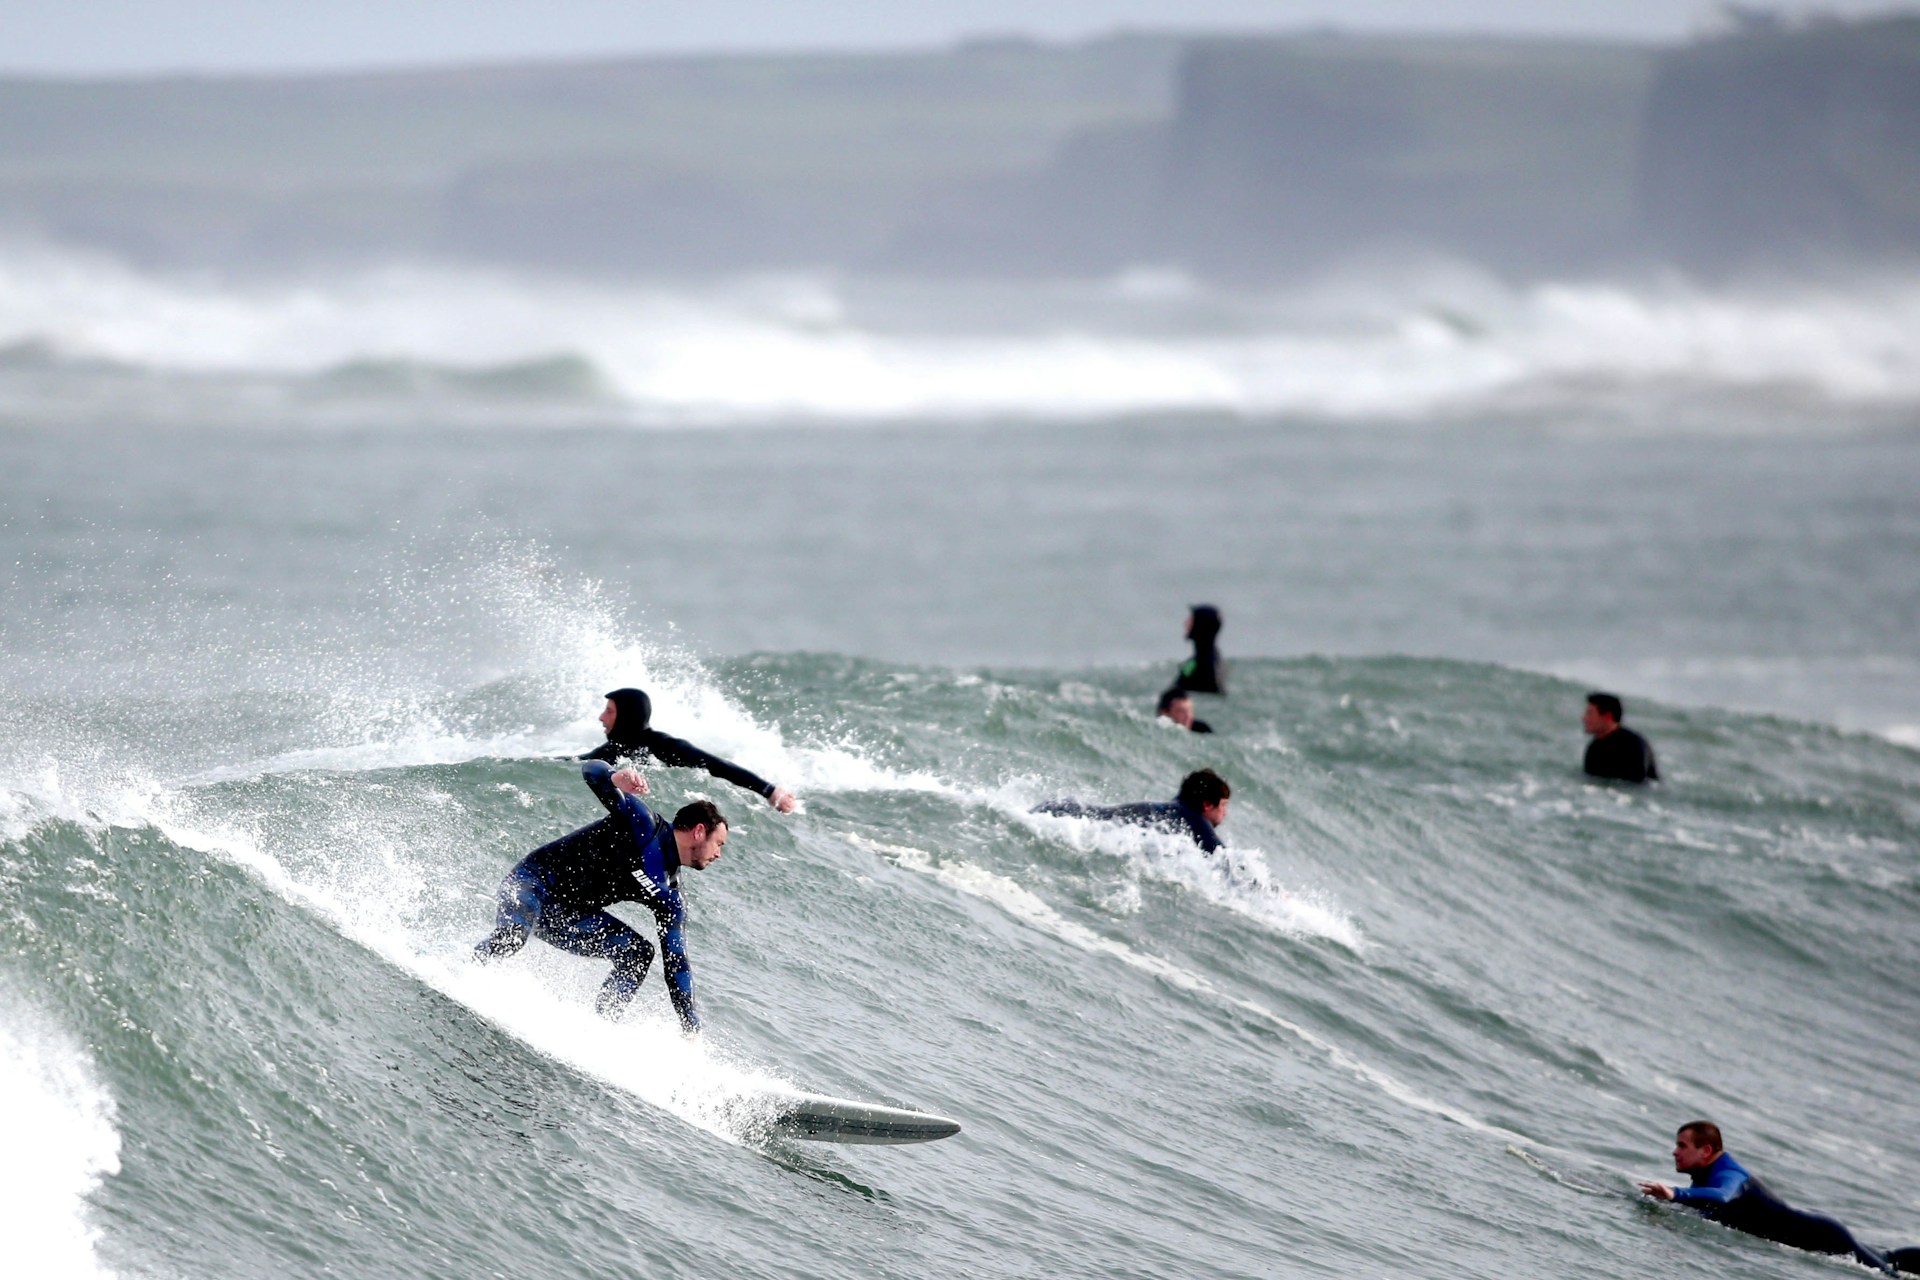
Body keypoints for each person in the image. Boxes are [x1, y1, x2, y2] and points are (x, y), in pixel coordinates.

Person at [473, 758, 728, 1032]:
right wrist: (614, 777)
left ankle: (600, 1029)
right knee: (513, 935)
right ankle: (469, 977)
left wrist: (690, 1024)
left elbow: (677, 962)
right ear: (700, 831)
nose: (719, 854)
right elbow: (591, 771)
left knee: (638, 954)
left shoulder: (670, 896)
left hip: (567, 918)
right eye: (719, 843)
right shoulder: (644, 825)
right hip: (532, 885)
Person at [1638, 1121, 1919, 1274]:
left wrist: (1675, 1194)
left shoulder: (1731, 1175)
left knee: (1888, 1275)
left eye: (1682, 1146)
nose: (1675, 1152)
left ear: (1706, 1150)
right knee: (1888, 1259)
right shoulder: (1709, 1174)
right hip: (1817, 1228)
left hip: (1822, 1236)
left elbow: (1722, 1197)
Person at [589, 686, 796, 812]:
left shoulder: (663, 745)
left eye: (609, 711)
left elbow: (716, 765)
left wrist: (769, 791)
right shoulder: (611, 750)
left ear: (626, 716)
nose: (601, 717)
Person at [1033, 768, 1230, 853]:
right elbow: (1224, 859)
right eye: (1223, 805)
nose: (1225, 813)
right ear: (1207, 805)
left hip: (1064, 810)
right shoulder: (1194, 819)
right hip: (1076, 824)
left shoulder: (1168, 810)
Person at [1582, 691, 1658, 783]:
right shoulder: (1594, 748)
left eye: (1590, 713)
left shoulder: (1633, 744)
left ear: (1607, 716)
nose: (1584, 718)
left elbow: (1638, 784)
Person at [1174, 606, 1226, 695]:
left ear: (1201, 626)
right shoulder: (1196, 660)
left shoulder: (1205, 664)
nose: (1186, 623)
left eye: (1191, 621)